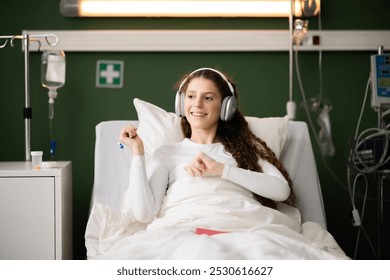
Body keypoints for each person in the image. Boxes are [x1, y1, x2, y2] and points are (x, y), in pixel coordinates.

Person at [119, 67, 296, 225]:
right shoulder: (166, 154)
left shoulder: (244, 151)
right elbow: (144, 214)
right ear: (181, 103)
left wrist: (221, 170)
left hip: (240, 227)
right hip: (183, 229)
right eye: (191, 96)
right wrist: (137, 152)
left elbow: (281, 191)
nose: (197, 104)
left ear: (227, 106)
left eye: (208, 98)